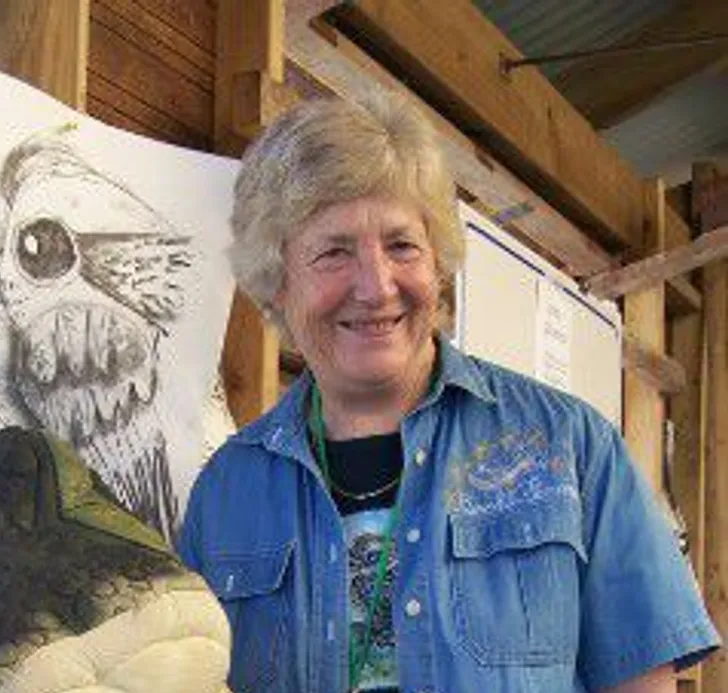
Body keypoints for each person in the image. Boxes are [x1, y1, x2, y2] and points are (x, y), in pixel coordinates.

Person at [177, 93, 720, 693]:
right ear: (277, 283)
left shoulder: (571, 446)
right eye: (333, 251)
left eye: (401, 245)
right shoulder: (224, 492)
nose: (376, 286)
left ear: (438, 263)